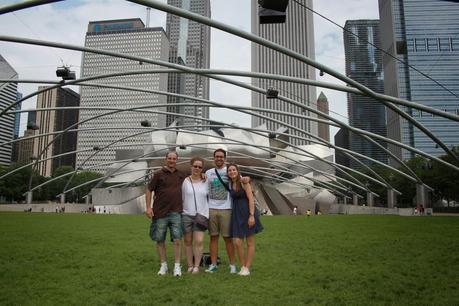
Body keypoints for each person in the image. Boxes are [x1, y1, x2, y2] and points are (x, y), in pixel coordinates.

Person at [145, 151, 186, 277]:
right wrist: (148, 207)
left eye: (174, 158)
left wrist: (203, 176)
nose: (172, 160)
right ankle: (163, 265)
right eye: (170, 158)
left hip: (176, 212)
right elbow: (148, 190)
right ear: (166, 159)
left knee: (177, 239)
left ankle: (177, 266)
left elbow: (193, 181)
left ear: (177, 160)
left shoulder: (181, 175)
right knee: (160, 239)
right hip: (160, 212)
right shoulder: (158, 174)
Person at [227, 163, 263, 276]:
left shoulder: (244, 182)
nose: (232, 172)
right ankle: (243, 266)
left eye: (234, 170)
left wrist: (252, 215)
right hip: (237, 215)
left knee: (250, 242)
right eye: (230, 170)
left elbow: (251, 199)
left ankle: (247, 268)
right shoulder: (230, 184)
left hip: (248, 213)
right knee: (237, 242)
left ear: (237, 171)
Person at [205, 148, 237, 273]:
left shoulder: (229, 171)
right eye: (217, 156)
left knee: (227, 238)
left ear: (225, 158)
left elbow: (239, 180)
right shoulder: (208, 172)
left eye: (221, 156)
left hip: (226, 209)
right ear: (214, 158)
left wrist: (247, 179)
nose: (219, 158)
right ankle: (213, 265)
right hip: (211, 208)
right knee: (213, 237)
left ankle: (232, 265)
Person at [181, 157, 209, 274]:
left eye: (200, 167)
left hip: (201, 215)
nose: (197, 168)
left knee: (199, 241)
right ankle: (190, 265)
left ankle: (197, 266)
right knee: (187, 241)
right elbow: (182, 197)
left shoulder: (206, 181)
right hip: (187, 214)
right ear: (191, 166)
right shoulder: (185, 181)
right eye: (195, 166)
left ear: (202, 169)